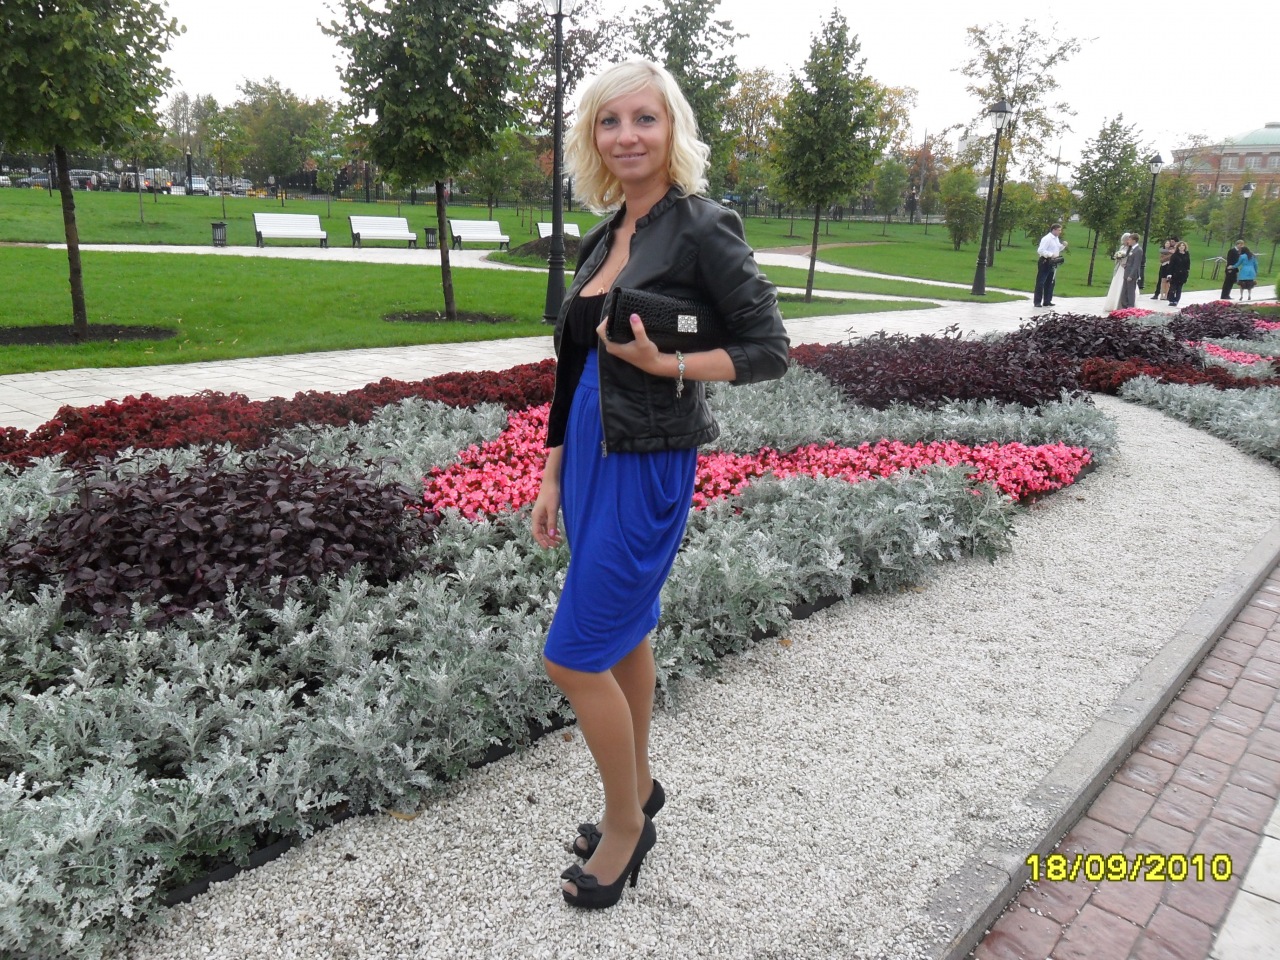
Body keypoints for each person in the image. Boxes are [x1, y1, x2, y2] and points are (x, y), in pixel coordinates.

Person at [530, 59, 790, 910]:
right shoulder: (605, 235)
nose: (627, 135)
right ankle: (638, 786)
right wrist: (551, 469)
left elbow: (768, 349)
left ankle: (625, 824)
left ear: (671, 128)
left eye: (644, 118)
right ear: (593, 138)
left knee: (571, 656)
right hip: (589, 457)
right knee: (624, 635)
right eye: (610, 121)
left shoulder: (705, 226)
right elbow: (572, 366)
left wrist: (666, 363)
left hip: (646, 463)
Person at [1034, 223, 1067, 307]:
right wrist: (1051, 254)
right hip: (1045, 261)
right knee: (1041, 282)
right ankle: (1037, 302)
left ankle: (1047, 301)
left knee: (1051, 281)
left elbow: (1057, 249)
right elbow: (1040, 250)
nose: (1060, 232)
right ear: (1054, 230)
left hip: (1053, 262)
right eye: (1059, 230)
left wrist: (1063, 245)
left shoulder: (1056, 239)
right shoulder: (1047, 239)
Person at [1102, 233, 1130, 313]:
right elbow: (1119, 256)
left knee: (1122, 284)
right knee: (1116, 283)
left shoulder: (1130, 248)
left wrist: (1124, 261)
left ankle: (1122, 303)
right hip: (1119, 267)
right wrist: (1118, 258)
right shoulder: (1122, 247)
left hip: (1125, 268)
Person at [1119, 233, 1144, 309]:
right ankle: (1124, 306)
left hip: (1131, 275)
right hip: (1126, 272)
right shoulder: (1131, 249)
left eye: (1129, 240)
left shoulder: (1138, 250)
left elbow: (1136, 264)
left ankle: (1130, 307)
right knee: (1124, 292)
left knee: (1130, 292)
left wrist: (1131, 275)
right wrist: (1125, 265)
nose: (1128, 241)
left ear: (1134, 240)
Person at [1167, 240, 1192, 306]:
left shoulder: (1186, 255)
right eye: (1180, 246)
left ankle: (1176, 300)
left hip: (1183, 274)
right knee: (1173, 288)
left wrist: (1187, 272)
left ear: (1185, 247)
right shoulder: (1174, 255)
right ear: (1178, 247)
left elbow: (1188, 265)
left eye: (1183, 246)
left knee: (1179, 289)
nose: (1181, 247)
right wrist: (1169, 274)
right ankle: (1171, 300)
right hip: (1175, 274)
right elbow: (1171, 265)